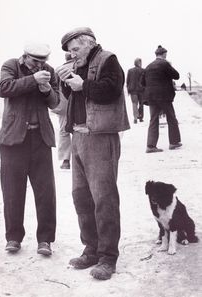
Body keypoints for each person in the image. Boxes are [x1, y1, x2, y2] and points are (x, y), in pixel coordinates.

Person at [56, 27, 130, 280]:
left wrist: (82, 84)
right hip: (78, 135)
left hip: (100, 136)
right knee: (81, 197)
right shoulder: (77, 64)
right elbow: (72, 96)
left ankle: (108, 257)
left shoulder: (108, 59)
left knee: (104, 198)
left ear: (89, 43)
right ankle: (91, 249)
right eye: (69, 52)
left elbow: (112, 90)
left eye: (75, 49)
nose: (72, 55)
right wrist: (66, 81)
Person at [0, 42, 59, 255]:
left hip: (40, 139)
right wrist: (33, 80)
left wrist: (47, 89)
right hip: (13, 140)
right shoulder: (11, 66)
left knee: (46, 192)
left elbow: (55, 102)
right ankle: (13, 238)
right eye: (35, 61)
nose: (39, 66)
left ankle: (45, 240)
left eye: (43, 62)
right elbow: (4, 89)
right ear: (24, 57)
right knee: (13, 192)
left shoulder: (49, 72)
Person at [141, 45, 182, 153]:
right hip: (164, 96)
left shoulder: (148, 66)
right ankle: (174, 142)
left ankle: (150, 146)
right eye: (166, 54)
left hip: (151, 97)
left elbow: (142, 83)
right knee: (171, 118)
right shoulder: (165, 64)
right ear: (164, 54)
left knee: (153, 120)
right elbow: (176, 75)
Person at [52, 53, 72, 169]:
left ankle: (66, 160)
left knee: (64, 131)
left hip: (64, 105)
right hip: (80, 104)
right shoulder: (80, 67)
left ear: (65, 59)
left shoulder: (58, 70)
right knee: (81, 129)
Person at [126, 58, 144, 123]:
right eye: (141, 62)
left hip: (132, 90)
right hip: (141, 90)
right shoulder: (143, 70)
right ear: (139, 63)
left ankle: (135, 118)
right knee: (141, 103)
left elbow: (127, 81)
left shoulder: (130, 70)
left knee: (134, 104)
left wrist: (128, 89)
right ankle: (141, 117)